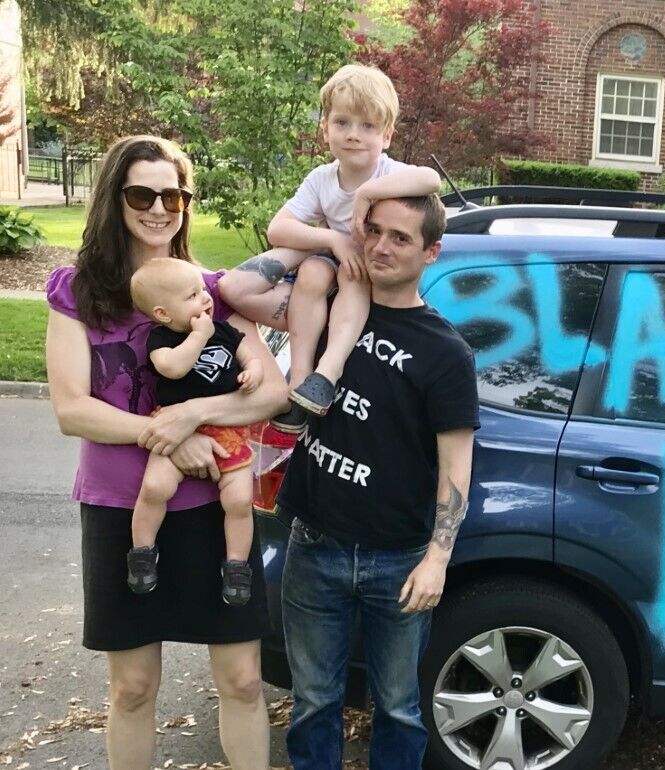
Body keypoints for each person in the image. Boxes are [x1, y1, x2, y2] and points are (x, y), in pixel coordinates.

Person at [45, 134, 288, 770]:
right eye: (141, 193)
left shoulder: (213, 292)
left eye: (173, 194)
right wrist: (167, 438)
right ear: (113, 199)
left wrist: (192, 417)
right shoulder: (78, 292)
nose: (160, 207)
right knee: (132, 688)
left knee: (240, 680)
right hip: (121, 509)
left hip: (214, 510)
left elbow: (272, 393)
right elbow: (72, 408)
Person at [275, 193, 478, 769]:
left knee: (398, 706)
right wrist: (328, 241)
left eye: (401, 238)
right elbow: (235, 287)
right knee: (313, 701)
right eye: (374, 231)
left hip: (399, 558)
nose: (381, 247)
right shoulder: (323, 302)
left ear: (432, 252)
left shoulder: (445, 352)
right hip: (313, 544)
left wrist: (438, 558)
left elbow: (456, 465)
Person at [216, 63, 441, 433]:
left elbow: (430, 179)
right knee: (314, 270)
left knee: (350, 274)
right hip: (330, 266)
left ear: (386, 135)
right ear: (325, 130)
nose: (353, 134)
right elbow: (278, 228)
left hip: (362, 271)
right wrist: (332, 239)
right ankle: (299, 384)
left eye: (367, 126)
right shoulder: (322, 178)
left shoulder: (388, 174)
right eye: (342, 123)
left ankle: (328, 373)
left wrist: (369, 193)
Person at [126, 258, 263, 605]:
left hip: (227, 425)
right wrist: (199, 337)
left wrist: (253, 373)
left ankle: (236, 566)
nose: (204, 299)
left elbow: (251, 356)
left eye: (203, 290)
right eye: (191, 296)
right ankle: (142, 552)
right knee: (155, 487)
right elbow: (172, 369)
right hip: (174, 427)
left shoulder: (225, 331)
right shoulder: (162, 339)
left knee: (239, 500)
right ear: (163, 313)